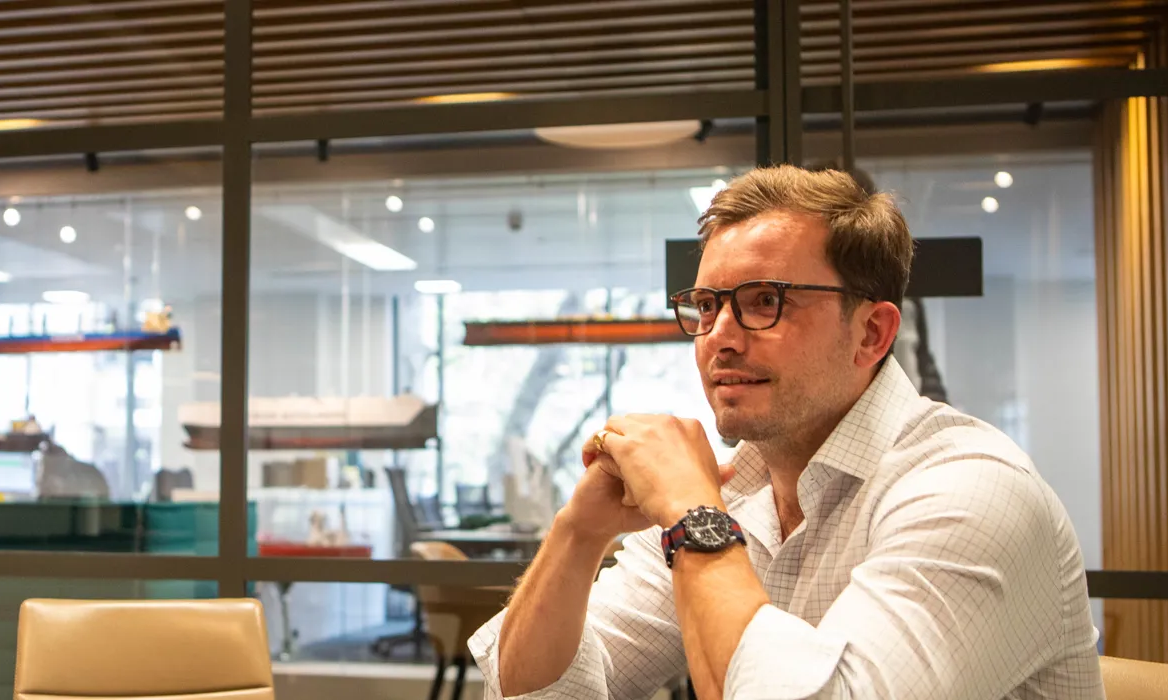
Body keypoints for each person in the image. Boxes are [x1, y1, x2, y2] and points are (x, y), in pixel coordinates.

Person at [468, 165, 1100, 700]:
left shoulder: (972, 490)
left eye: (765, 300)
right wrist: (578, 533)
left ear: (873, 334)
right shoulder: (736, 492)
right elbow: (530, 691)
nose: (719, 336)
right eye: (708, 305)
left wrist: (694, 518)